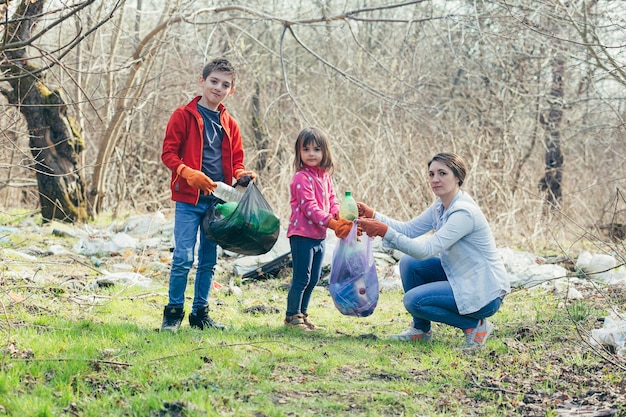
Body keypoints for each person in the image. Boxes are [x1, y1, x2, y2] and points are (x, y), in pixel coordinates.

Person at [357, 152, 510, 349]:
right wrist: (374, 215)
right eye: (431, 174)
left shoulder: (463, 212)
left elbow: (425, 250)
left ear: (458, 177)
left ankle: (475, 325)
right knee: (409, 263)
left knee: (414, 301)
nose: (435, 179)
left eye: (442, 173)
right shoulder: (441, 205)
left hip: (483, 291)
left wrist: (383, 232)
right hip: (462, 277)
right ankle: (420, 331)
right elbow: (408, 230)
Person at [160, 58, 256, 332]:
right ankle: (173, 313)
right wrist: (187, 173)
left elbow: (237, 161)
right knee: (182, 257)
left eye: (225, 85)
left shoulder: (231, 124)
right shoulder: (183, 115)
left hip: (219, 203)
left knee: (209, 260)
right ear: (202, 81)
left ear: (231, 91)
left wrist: (242, 175)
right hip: (189, 200)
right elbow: (168, 153)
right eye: (214, 81)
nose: (218, 87)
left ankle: (200, 313)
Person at [285, 127, 354, 331]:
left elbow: (331, 202)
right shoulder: (301, 178)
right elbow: (309, 208)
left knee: (314, 278)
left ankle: (303, 314)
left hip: (319, 236)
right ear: (299, 152)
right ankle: (292, 316)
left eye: (316, 149)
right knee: (301, 277)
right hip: (301, 235)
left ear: (325, 152)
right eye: (305, 149)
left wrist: (339, 218)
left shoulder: (325, 177)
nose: (311, 154)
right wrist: (331, 223)